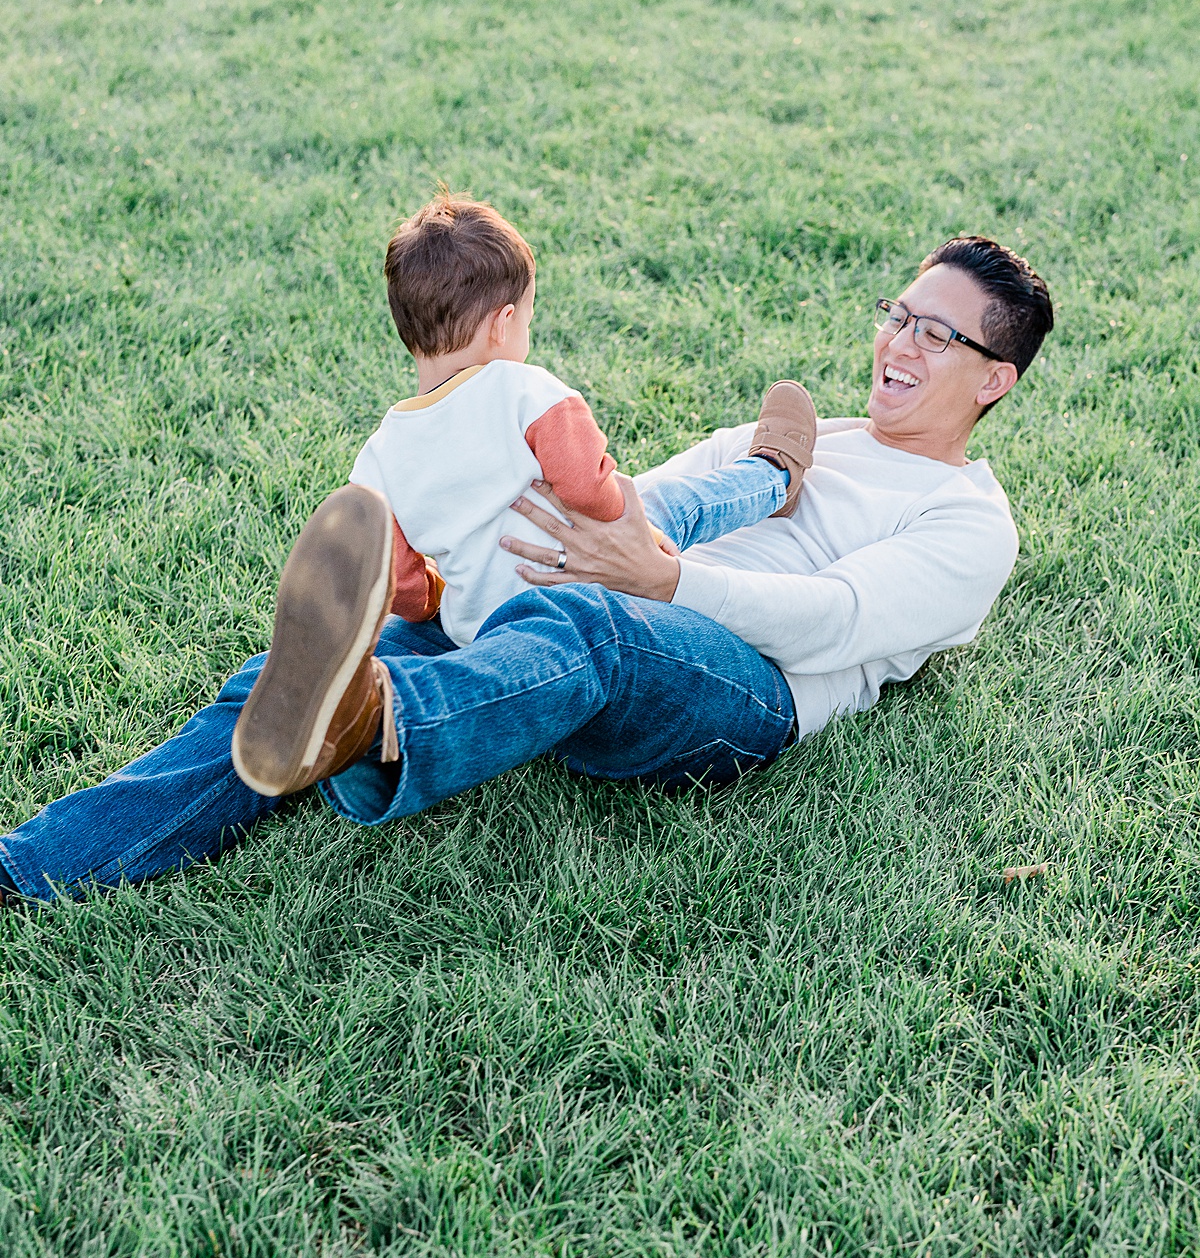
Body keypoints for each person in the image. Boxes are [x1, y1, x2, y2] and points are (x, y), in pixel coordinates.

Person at [0, 234, 1053, 906]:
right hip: (621, 586)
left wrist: (658, 579)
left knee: (586, 629)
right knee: (311, 663)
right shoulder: (782, 435)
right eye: (897, 313)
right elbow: (627, 502)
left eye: (937, 333)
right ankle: (32, 863)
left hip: (741, 685)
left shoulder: (967, 520)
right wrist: (503, 546)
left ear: (994, 378)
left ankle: (377, 727)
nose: (897, 341)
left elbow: (832, 623)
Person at [231, 192, 818, 796]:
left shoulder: (378, 457)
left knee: (670, 506)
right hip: (576, 596)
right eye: (529, 320)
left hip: (479, 636)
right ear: (504, 323)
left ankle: (770, 477)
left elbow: (402, 586)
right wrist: (628, 530)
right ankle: (772, 478)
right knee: (668, 505)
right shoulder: (526, 391)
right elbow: (589, 489)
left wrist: (440, 597)